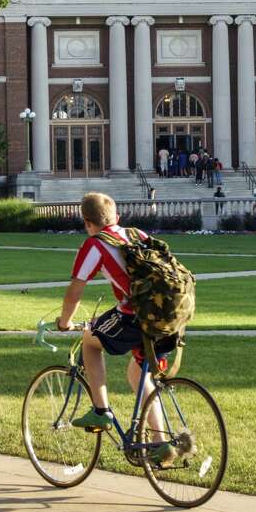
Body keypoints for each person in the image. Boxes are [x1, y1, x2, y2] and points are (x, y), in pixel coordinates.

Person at [56, 193, 178, 463]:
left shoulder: (95, 245)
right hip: (168, 315)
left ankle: (101, 410)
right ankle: (160, 443)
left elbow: (75, 290)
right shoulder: (137, 234)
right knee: (139, 376)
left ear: (88, 223)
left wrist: (64, 322)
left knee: (89, 339)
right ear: (117, 218)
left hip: (134, 315)